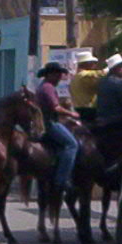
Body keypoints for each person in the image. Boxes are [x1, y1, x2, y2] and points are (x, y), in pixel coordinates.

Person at [36, 61, 80, 193]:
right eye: (58, 75)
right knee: (72, 144)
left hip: (49, 120)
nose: (60, 78)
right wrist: (72, 114)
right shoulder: (48, 88)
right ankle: (62, 180)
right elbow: (55, 108)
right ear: (50, 75)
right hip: (48, 123)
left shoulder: (42, 86)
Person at [69, 50, 106, 122]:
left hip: (78, 108)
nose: (94, 65)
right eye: (92, 63)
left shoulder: (74, 77)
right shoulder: (85, 75)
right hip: (89, 110)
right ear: (87, 63)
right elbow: (101, 74)